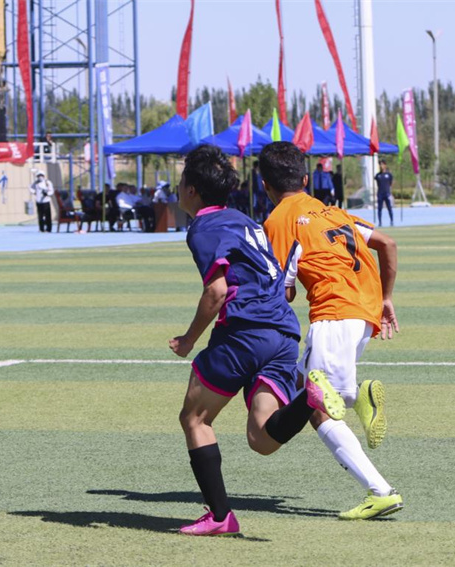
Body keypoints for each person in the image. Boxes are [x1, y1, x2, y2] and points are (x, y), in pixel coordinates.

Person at [171, 144, 345, 536]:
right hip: (283, 333)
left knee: (194, 418)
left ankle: (220, 517)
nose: (177, 188)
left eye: (181, 182)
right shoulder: (247, 221)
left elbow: (216, 293)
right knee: (262, 438)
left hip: (245, 333)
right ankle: (309, 398)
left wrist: (188, 340)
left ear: (194, 191)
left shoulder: (203, 227)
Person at [261, 141, 404, 521]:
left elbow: (283, 290)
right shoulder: (335, 212)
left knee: (317, 406)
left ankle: (380, 491)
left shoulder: (277, 220)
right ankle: (357, 398)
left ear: (264, 185)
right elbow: (387, 244)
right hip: (364, 312)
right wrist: (387, 299)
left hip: (333, 313)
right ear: (306, 179)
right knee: (307, 389)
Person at [375, 160, 394, 227]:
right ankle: (380, 222)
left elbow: (391, 183)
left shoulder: (389, 175)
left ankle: (392, 221)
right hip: (380, 194)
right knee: (379, 209)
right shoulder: (378, 175)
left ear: (385, 165)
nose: (381, 166)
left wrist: (389, 191)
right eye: (380, 164)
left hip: (387, 193)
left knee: (389, 208)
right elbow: (378, 184)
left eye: (382, 164)